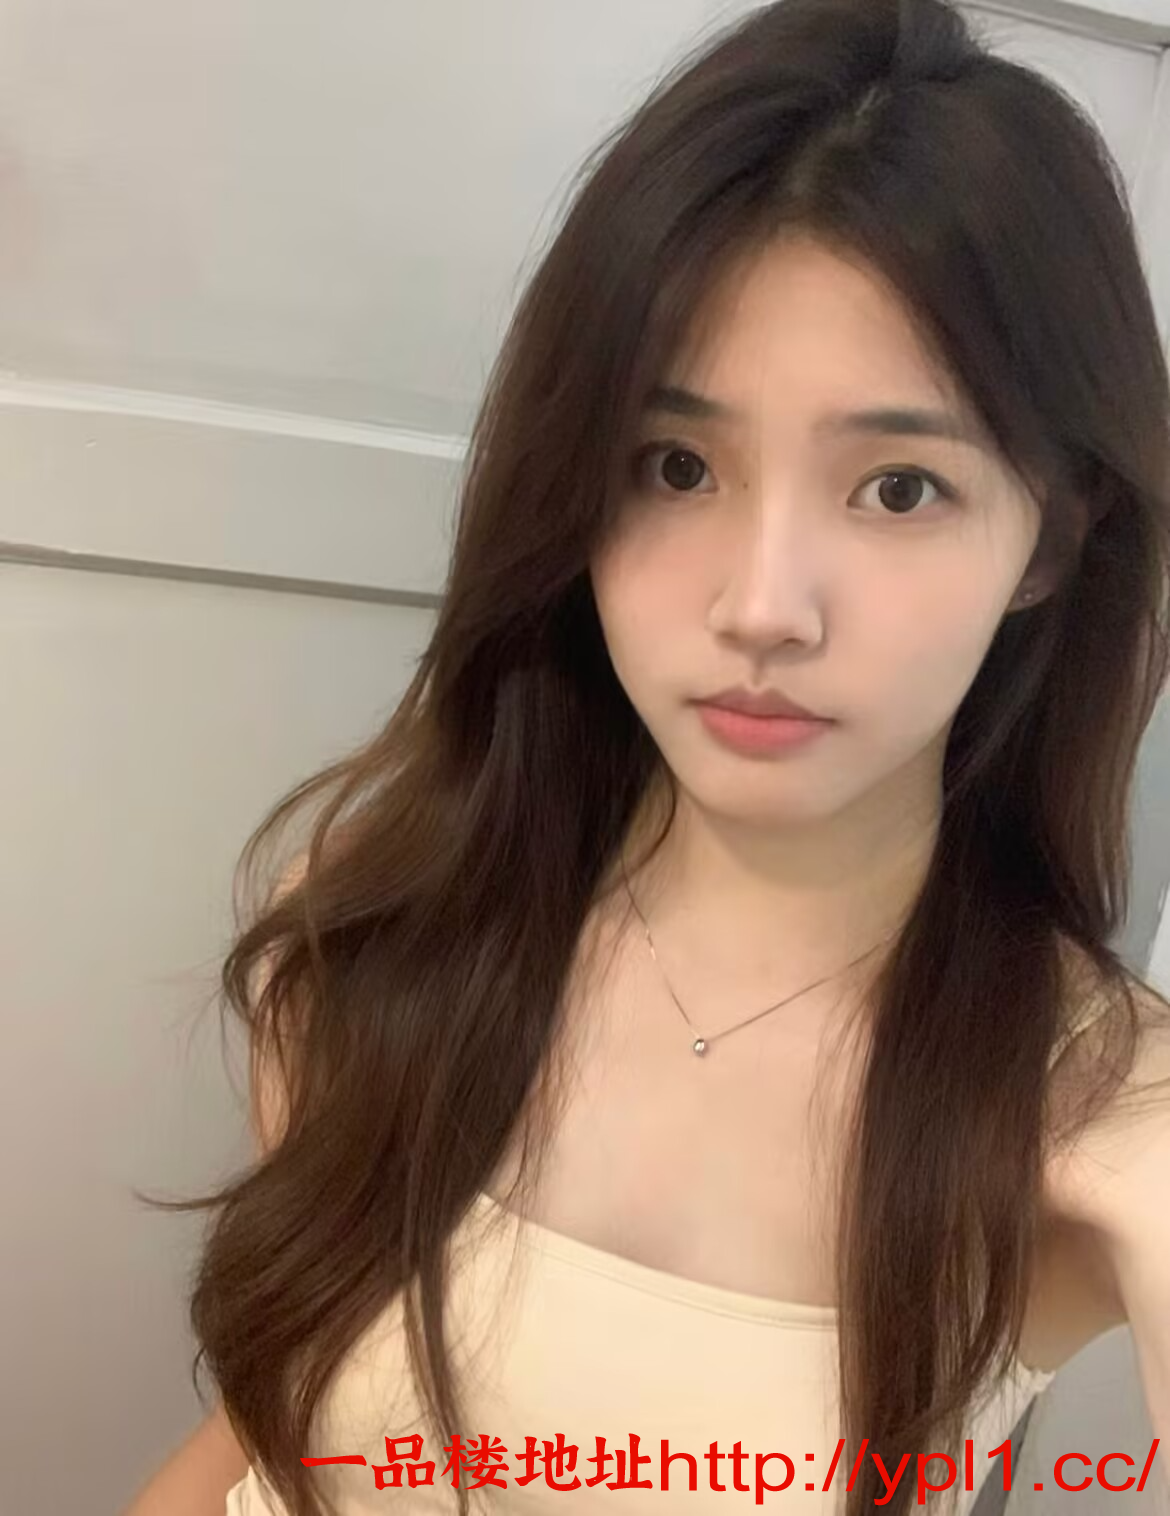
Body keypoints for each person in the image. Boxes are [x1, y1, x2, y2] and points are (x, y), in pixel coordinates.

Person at [123, 0, 1170, 1512]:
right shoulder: (376, 931)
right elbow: (263, 1444)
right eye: (676, 465)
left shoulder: (1095, 1127)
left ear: (1051, 539)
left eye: (897, 486)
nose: (761, 607)